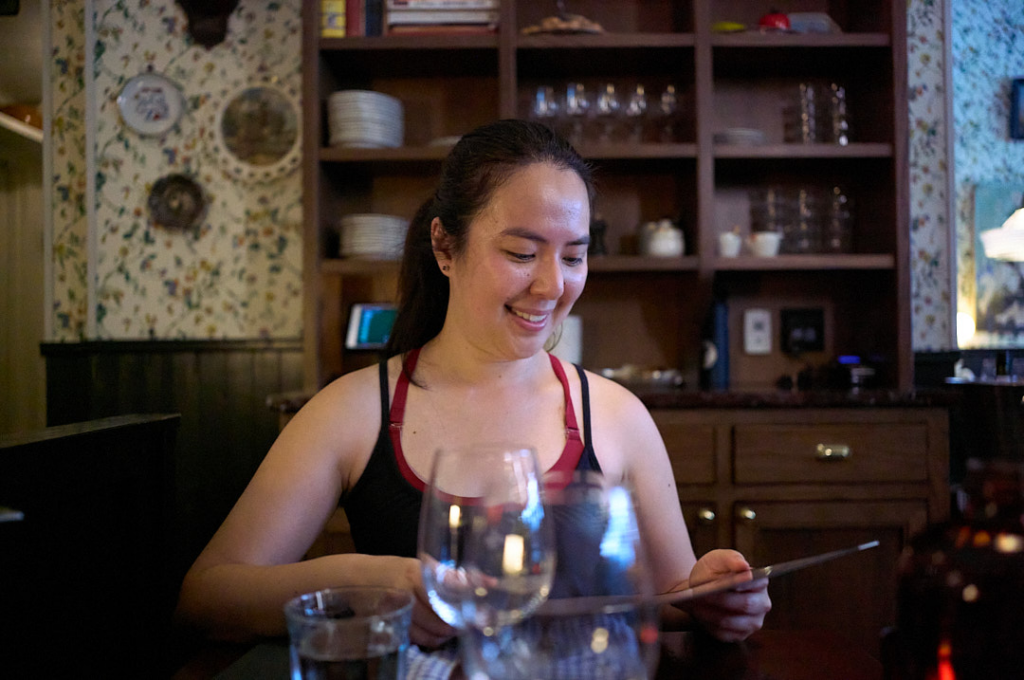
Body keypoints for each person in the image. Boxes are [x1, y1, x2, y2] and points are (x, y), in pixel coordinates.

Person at [175, 119, 770, 650]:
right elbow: (208, 597)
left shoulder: (614, 414)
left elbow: (672, 598)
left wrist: (714, 600)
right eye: (520, 252)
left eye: (573, 257)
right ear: (444, 246)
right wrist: (377, 582)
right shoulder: (354, 410)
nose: (550, 286)